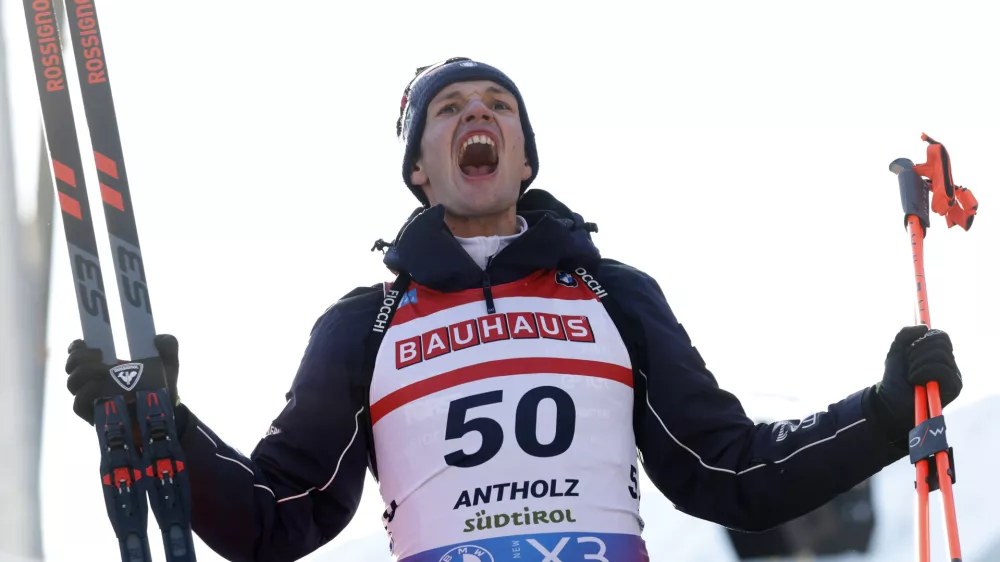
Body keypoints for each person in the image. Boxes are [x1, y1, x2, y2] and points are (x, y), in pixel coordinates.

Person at [64, 57, 964, 562]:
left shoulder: (613, 294)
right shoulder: (366, 324)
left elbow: (730, 475)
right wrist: (165, 422)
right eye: (447, 110)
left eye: (497, 105)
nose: (475, 116)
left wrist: (884, 413)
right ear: (421, 168)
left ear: (525, 157)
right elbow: (275, 516)